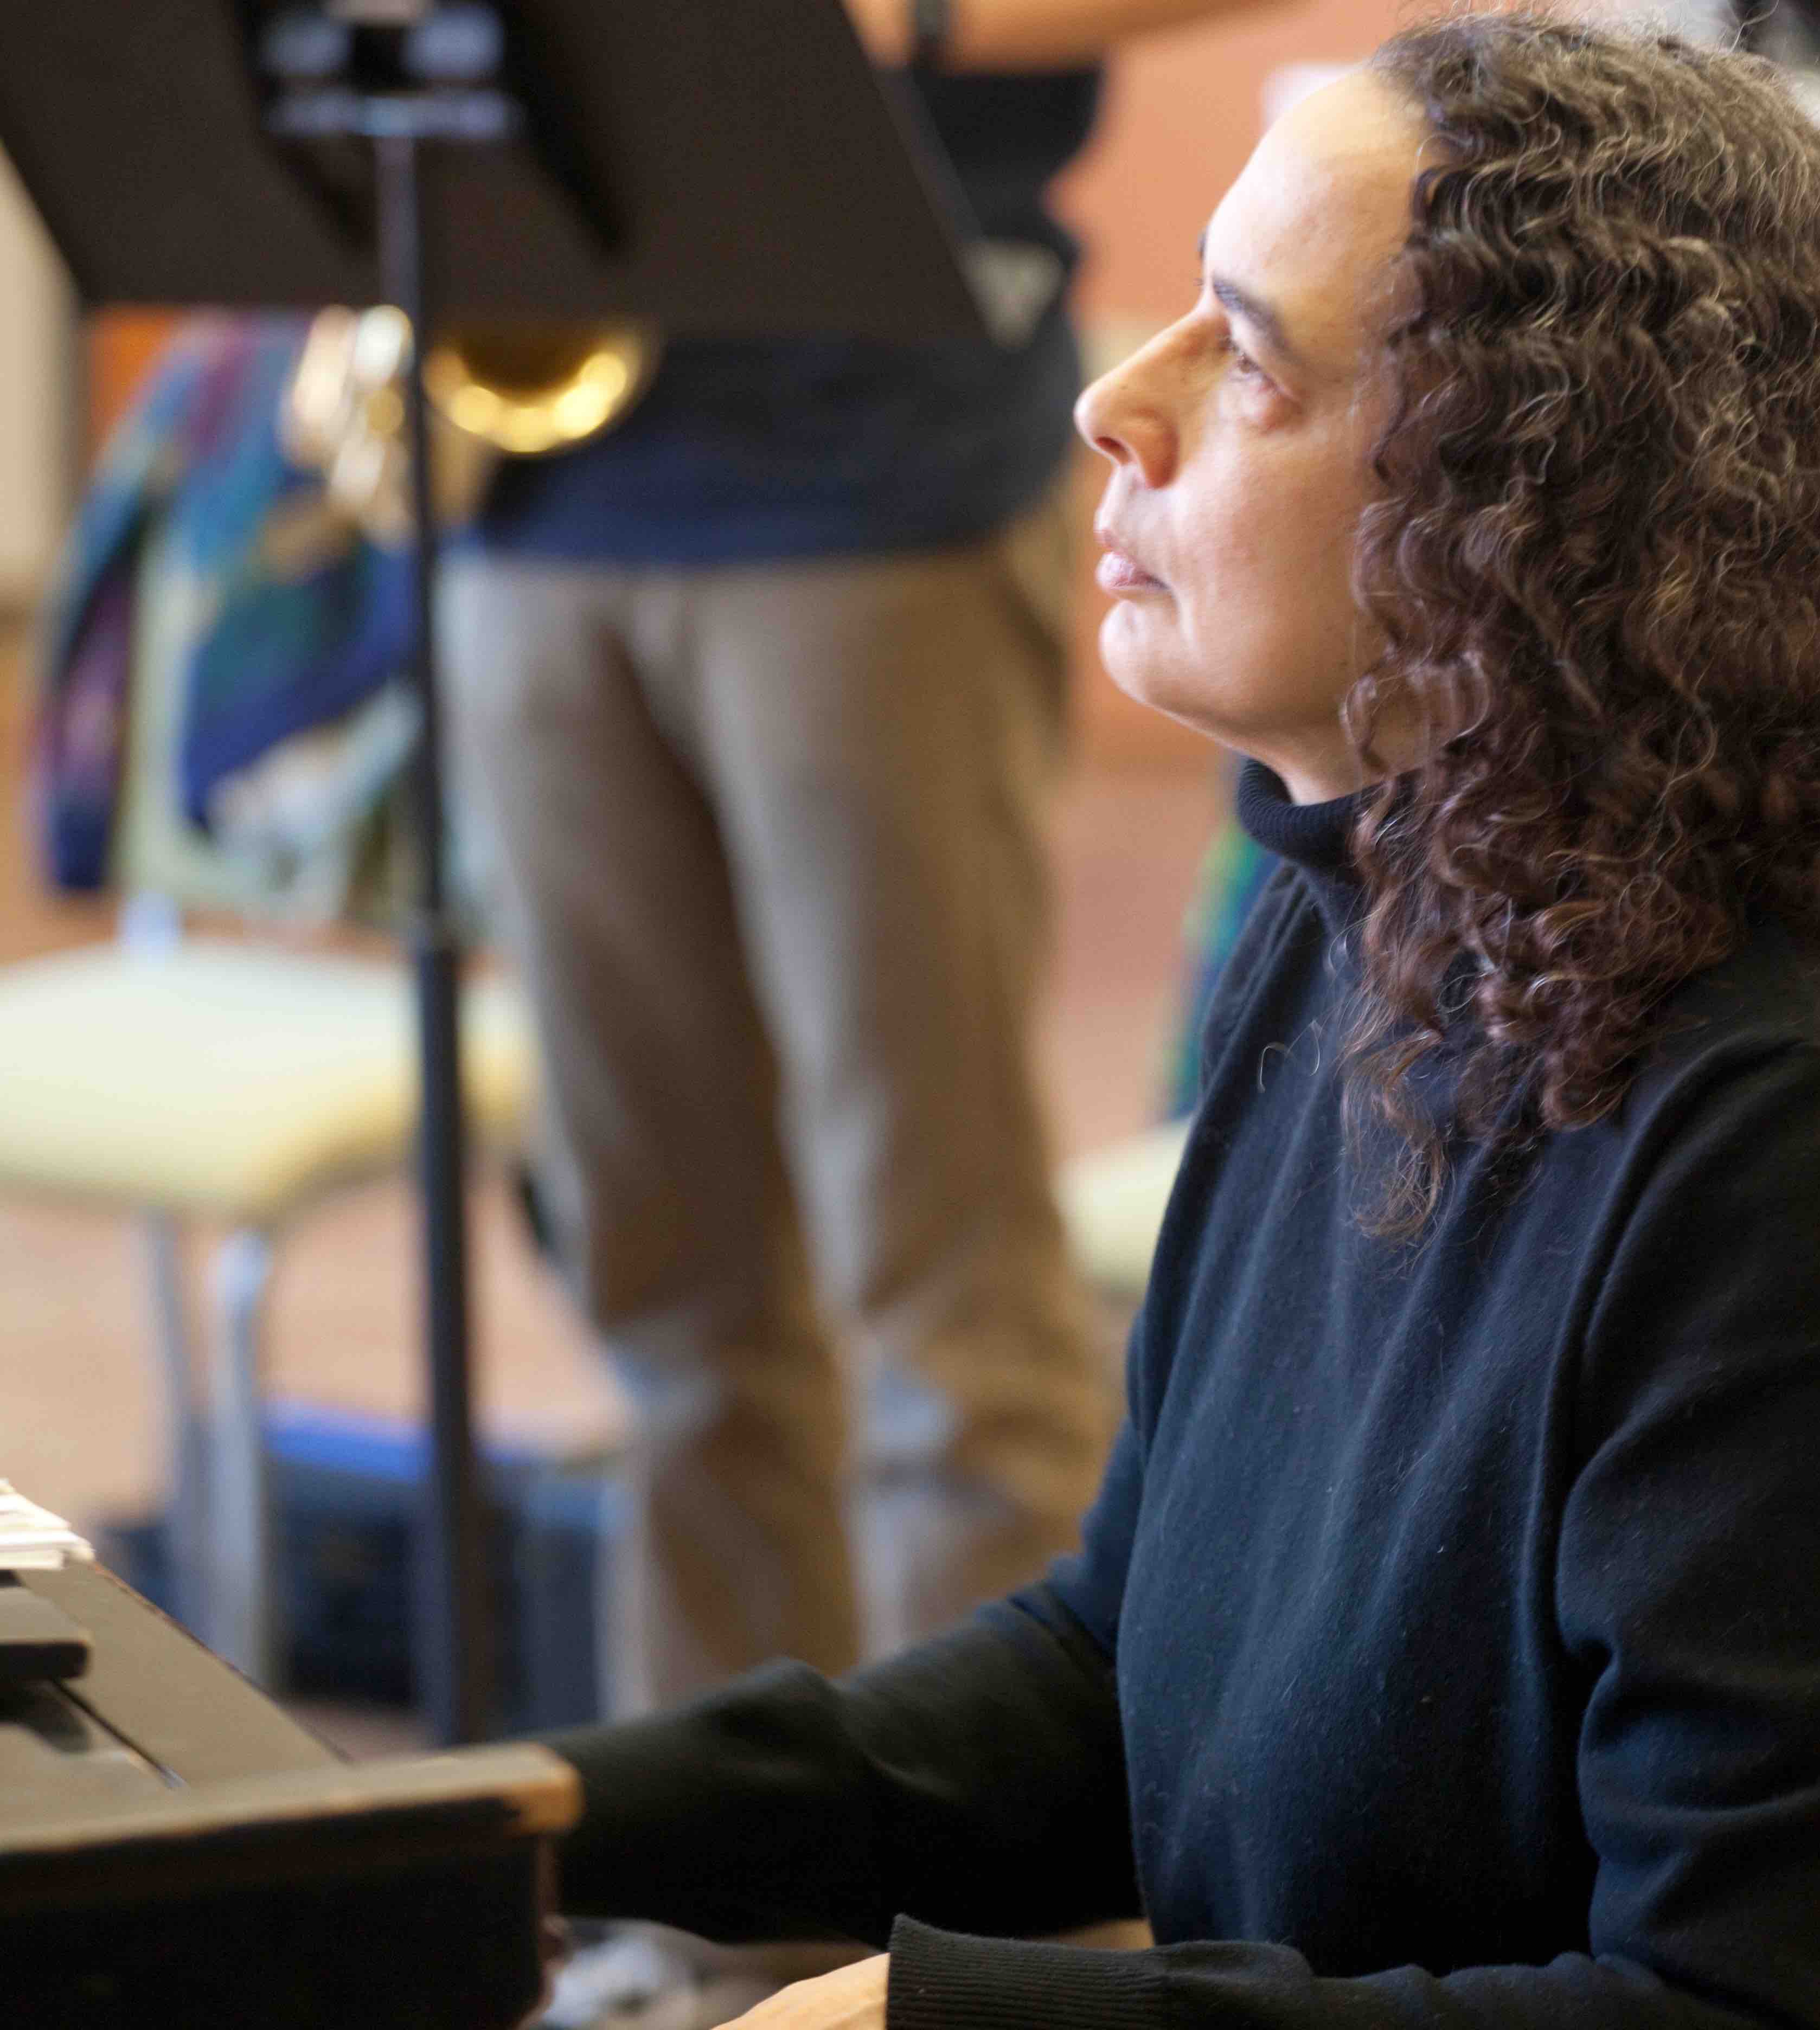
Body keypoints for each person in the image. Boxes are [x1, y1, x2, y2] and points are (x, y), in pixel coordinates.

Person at [524, 14, 1820, 2028]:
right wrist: (509, 1823)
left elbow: (1768, 2005)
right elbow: (1119, 1663)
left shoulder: (1816, 1147)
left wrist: (928, 2019)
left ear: (1532, 510)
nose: (1111, 401)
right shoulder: (1373, 909)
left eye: (1245, 360)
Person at [444, 0, 1293, 1714]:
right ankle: (716, 1863)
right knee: (664, 1295)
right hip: (541, 500)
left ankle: (990, 1862)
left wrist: (911, 20)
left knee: (939, 1295)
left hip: (876, 484)